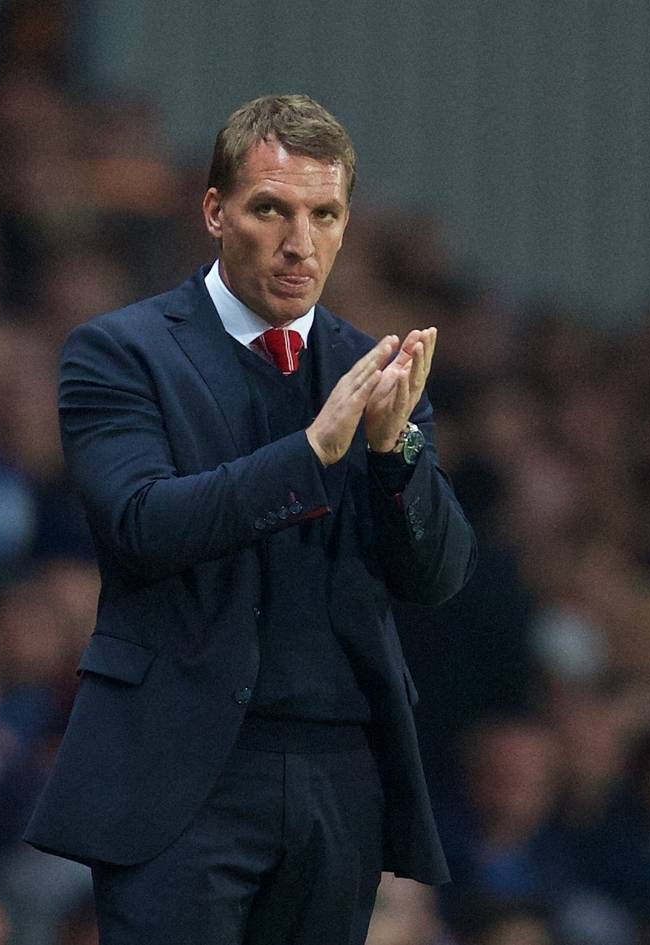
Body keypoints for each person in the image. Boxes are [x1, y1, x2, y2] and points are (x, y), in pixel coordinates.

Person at [24, 94, 476, 944]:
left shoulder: (374, 366)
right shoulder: (120, 351)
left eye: (324, 213)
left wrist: (394, 457)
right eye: (271, 208)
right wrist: (311, 452)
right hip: (177, 772)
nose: (299, 241)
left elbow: (439, 574)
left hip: (339, 774)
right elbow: (141, 523)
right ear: (216, 211)